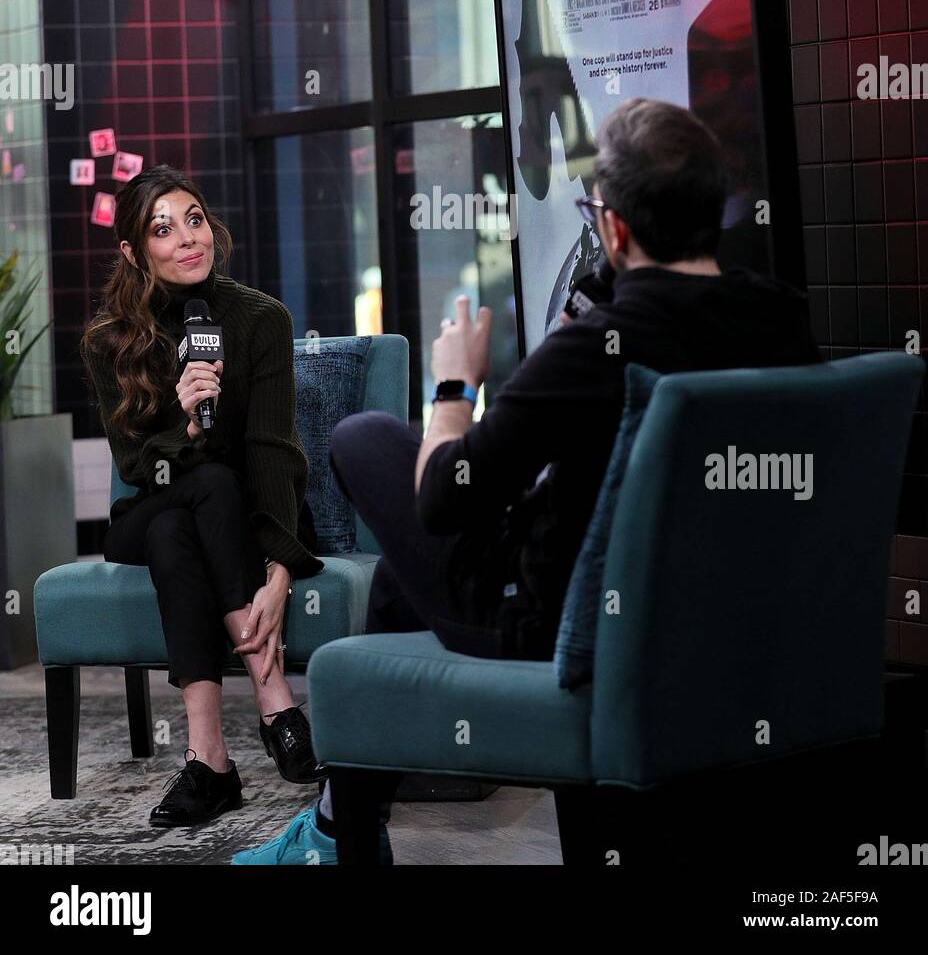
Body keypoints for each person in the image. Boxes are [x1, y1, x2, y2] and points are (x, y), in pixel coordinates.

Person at [232, 97, 821, 864]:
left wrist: (453, 388)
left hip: (546, 620)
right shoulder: (783, 322)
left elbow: (444, 499)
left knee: (365, 435)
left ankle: (339, 830)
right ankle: (341, 819)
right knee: (395, 590)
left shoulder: (598, 345)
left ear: (612, 228)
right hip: (724, 617)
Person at [81, 163, 322, 827]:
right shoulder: (111, 341)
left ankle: (208, 763)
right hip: (146, 504)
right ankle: (275, 697)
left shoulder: (260, 319)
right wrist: (185, 425)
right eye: (164, 228)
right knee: (186, 495)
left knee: (183, 523)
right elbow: (135, 464)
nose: (188, 239)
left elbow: (273, 451)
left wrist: (279, 566)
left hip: (229, 515)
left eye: (194, 219)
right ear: (134, 251)